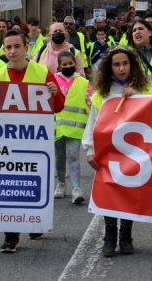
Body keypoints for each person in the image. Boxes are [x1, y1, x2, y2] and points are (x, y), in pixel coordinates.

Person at [0, 30, 61, 253]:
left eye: (16, 46)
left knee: (35, 184)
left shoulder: (42, 72)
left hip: (35, 143)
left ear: (26, 48)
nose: (12, 51)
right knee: (9, 186)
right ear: (3, 49)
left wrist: (54, 92)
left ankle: (35, 221)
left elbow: (58, 106)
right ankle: (11, 235)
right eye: (8, 47)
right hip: (6, 144)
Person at [83, 47, 151, 257]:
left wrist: (137, 95)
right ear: (109, 68)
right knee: (109, 192)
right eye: (116, 65)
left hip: (132, 152)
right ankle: (110, 236)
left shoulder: (144, 89)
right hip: (107, 152)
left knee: (129, 192)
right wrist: (90, 150)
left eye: (125, 64)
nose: (121, 69)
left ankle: (126, 236)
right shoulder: (101, 94)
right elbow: (93, 122)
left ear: (132, 65)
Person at [53, 50, 92, 203]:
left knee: (73, 156)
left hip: (75, 128)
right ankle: (61, 184)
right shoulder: (53, 80)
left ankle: (76, 188)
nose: (68, 66)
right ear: (59, 66)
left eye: (70, 64)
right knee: (59, 156)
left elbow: (92, 102)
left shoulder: (83, 82)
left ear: (75, 64)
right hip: (57, 126)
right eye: (65, 64)